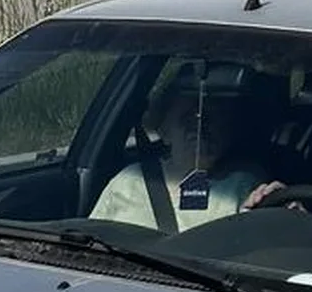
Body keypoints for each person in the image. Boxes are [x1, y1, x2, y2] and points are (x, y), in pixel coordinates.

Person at [91, 72, 283, 232]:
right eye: (188, 119)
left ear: (229, 131)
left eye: (213, 118)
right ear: (163, 128)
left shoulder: (244, 183)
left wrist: (278, 215)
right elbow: (92, 243)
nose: (200, 128)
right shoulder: (130, 180)